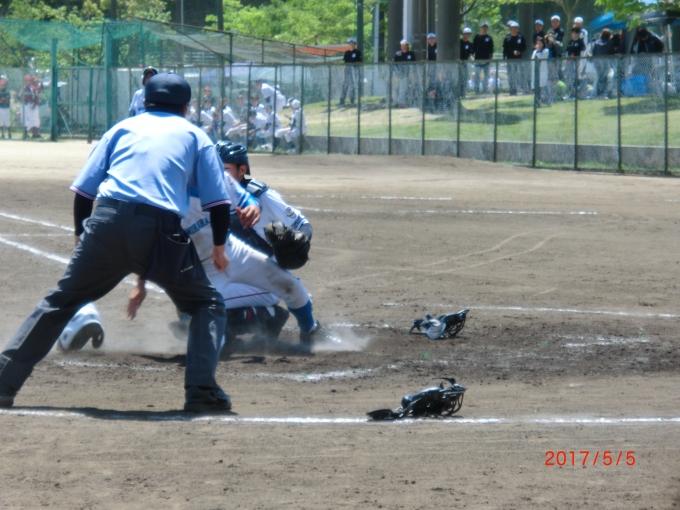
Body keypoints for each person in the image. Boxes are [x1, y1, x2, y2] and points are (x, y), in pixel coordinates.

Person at [0, 73, 235, 413]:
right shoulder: (196, 136)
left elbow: (84, 193)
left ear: (145, 101)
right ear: (186, 107)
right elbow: (219, 203)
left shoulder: (121, 129)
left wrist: (81, 236)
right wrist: (218, 248)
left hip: (106, 223)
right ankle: (201, 391)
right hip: (161, 232)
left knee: (61, 302)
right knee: (206, 304)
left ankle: (4, 381)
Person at [160, 142, 327, 355]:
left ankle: (309, 331)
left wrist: (301, 238)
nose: (215, 174)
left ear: (242, 170)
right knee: (188, 308)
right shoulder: (203, 194)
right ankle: (252, 323)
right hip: (222, 269)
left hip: (259, 278)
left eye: (224, 168)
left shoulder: (260, 195)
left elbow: (301, 224)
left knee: (291, 287)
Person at [503, 21, 527, 96]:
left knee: (517, 74)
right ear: (510, 29)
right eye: (512, 28)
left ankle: (519, 88)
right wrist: (504, 58)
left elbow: (524, 46)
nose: (514, 29)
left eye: (515, 28)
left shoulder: (521, 37)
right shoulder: (507, 38)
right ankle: (512, 89)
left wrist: (520, 51)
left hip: (518, 59)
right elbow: (505, 49)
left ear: (517, 29)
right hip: (509, 59)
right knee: (510, 75)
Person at [339, 37, 362, 107]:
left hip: (354, 71)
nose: (351, 45)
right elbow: (345, 63)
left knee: (353, 85)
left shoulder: (357, 52)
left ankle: (352, 101)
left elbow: (359, 62)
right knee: (345, 85)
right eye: (350, 43)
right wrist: (344, 71)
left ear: (355, 44)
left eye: (353, 43)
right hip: (347, 71)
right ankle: (342, 101)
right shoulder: (347, 53)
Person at [592, 29, 615, 97]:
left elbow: (594, 52)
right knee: (605, 77)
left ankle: (599, 92)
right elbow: (611, 53)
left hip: (597, 61)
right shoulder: (609, 43)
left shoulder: (596, 42)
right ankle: (603, 92)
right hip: (606, 61)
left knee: (600, 77)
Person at [393, 40, 416, 108]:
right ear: (401, 46)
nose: (404, 47)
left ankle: (410, 102)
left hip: (410, 74)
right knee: (402, 89)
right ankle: (401, 103)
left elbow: (414, 64)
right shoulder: (397, 54)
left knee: (411, 88)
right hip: (401, 75)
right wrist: (398, 73)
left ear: (407, 46)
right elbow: (394, 65)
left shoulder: (411, 54)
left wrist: (413, 73)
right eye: (402, 45)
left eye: (405, 45)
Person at [472, 22, 494, 93]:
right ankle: (476, 89)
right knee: (477, 75)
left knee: (486, 76)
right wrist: (472, 55)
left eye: (486, 27)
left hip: (486, 60)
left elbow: (491, 49)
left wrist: (491, 57)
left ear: (487, 29)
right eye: (483, 27)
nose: (484, 28)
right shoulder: (477, 37)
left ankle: (485, 89)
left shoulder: (489, 38)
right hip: (478, 60)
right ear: (481, 28)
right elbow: (473, 47)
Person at [565, 28, 586, 98]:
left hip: (578, 62)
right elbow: (567, 52)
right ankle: (571, 92)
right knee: (571, 78)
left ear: (577, 33)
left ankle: (579, 93)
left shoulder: (581, 42)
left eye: (573, 33)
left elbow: (583, 53)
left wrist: (580, 62)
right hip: (570, 63)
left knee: (577, 78)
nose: (572, 34)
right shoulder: (570, 42)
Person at [531, 36, 551, 106]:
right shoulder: (534, 51)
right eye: (537, 43)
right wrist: (537, 51)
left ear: (543, 44)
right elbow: (532, 59)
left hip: (542, 71)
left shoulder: (546, 51)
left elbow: (542, 57)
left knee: (543, 86)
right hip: (536, 71)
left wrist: (538, 51)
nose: (538, 45)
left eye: (540, 43)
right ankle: (538, 101)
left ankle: (548, 100)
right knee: (536, 87)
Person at [459, 28, 473, 98]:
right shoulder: (459, 42)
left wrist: (471, 57)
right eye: (466, 34)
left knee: (465, 78)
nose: (467, 35)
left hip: (465, 63)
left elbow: (470, 53)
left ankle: (463, 93)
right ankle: (458, 93)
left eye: (468, 34)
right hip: (458, 63)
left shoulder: (469, 44)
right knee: (459, 78)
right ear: (463, 34)